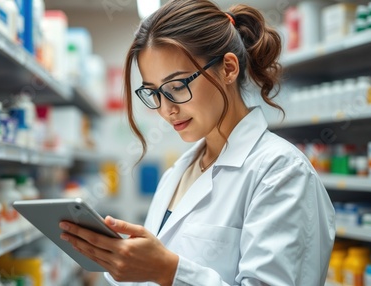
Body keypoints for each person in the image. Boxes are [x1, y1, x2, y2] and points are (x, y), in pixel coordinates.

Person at [59, 0, 336, 285]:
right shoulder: (178, 173)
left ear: (228, 68)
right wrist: (123, 263)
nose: (166, 110)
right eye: (153, 92)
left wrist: (168, 271)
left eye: (177, 86)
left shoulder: (281, 172)